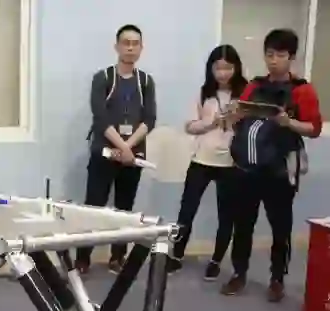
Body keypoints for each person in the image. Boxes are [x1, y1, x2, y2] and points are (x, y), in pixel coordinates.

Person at [221, 29, 322, 302]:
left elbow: (314, 129)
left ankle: (277, 279)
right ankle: (238, 273)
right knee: (243, 224)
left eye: (280, 55)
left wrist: (289, 123)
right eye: (269, 54)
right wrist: (233, 114)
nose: (273, 60)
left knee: (280, 227)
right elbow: (240, 118)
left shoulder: (302, 90)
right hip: (247, 167)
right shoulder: (254, 86)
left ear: (291, 57)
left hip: (279, 171)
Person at [76, 24, 157, 274]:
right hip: (104, 152)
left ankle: (117, 257)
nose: (130, 48)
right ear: (117, 46)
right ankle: (82, 259)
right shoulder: (103, 78)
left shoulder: (146, 82)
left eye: (135, 44)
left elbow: (149, 119)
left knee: (124, 209)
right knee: (93, 207)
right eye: (126, 43)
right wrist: (121, 146)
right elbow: (100, 119)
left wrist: (128, 148)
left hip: (132, 157)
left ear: (141, 48)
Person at [167, 45, 248, 280]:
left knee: (226, 216)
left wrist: (237, 118)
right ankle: (176, 255)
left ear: (236, 68)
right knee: (187, 211)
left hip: (231, 163)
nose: (223, 73)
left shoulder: (245, 95)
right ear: (211, 69)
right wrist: (212, 123)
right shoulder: (203, 93)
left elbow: (252, 127)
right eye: (218, 68)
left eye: (228, 68)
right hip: (201, 160)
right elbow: (189, 126)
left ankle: (216, 261)